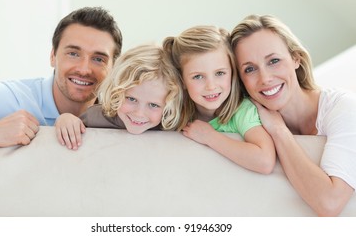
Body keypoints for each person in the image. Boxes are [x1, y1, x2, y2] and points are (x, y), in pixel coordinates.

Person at [230, 14, 356, 216]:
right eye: (250, 69)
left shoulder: (344, 107)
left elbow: (330, 203)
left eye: (274, 61)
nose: (265, 78)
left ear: (295, 58)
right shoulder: (251, 129)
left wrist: (279, 131)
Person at [0, 6, 123, 147]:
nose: (84, 70)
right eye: (73, 54)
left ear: (113, 68)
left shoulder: (120, 115)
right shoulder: (17, 99)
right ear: (53, 57)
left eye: (98, 59)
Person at [162, 25, 275, 174]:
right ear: (181, 80)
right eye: (198, 76)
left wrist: (210, 137)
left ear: (232, 72)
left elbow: (265, 161)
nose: (211, 86)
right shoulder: (174, 111)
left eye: (220, 73)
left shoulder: (242, 111)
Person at [55, 44, 183, 150]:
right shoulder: (94, 116)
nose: (139, 113)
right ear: (116, 92)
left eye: (153, 105)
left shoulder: (171, 125)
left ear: (169, 105)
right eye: (131, 99)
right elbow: (72, 127)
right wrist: (65, 119)